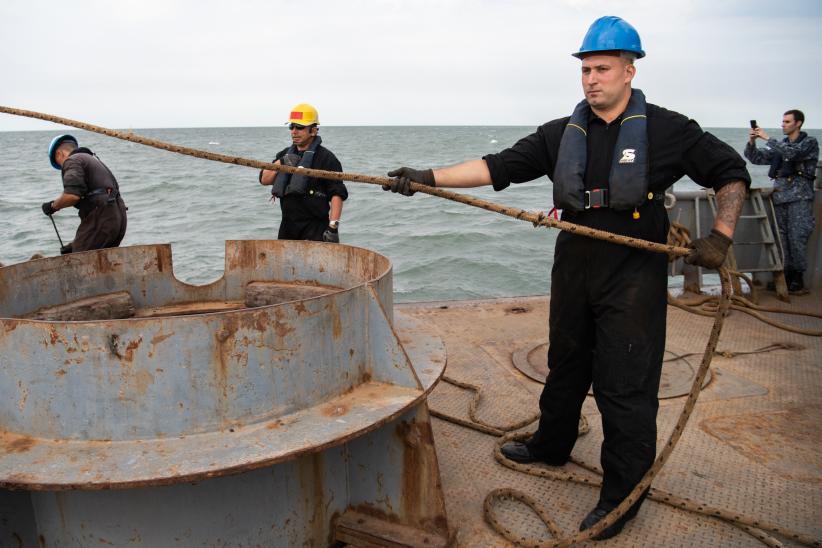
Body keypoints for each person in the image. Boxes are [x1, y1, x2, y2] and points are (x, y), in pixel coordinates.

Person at [386, 16, 750, 540]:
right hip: (574, 261)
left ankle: (621, 496)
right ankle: (551, 446)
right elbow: (499, 166)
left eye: (601, 69)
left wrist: (720, 234)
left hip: (632, 275)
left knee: (625, 385)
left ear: (629, 70)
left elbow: (730, 171)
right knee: (566, 362)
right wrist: (426, 178)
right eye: (585, 70)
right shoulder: (563, 133)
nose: (591, 79)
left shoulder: (669, 129)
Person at [745, 110, 818, 294]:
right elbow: (756, 158)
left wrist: (767, 138)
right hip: (780, 197)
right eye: (782, 121)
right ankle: (784, 276)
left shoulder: (809, 143)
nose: (783, 124)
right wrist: (753, 141)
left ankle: (798, 279)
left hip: (799, 198)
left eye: (787, 121)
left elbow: (793, 154)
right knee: (781, 239)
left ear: (798, 123)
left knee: (797, 238)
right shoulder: (781, 145)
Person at [259, 103, 347, 242]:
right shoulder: (284, 155)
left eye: (299, 127)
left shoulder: (327, 158)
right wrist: (282, 162)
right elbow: (265, 180)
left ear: (313, 130)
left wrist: (333, 228)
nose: (294, 131)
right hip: (288, 227)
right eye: (291, 126)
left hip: (316, 228)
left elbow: (337, 194)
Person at [42, 134, 128, 254]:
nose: (63, 167)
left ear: (59, 154)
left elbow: (72, 196)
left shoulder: (72, 161)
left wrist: (52, 206)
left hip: (102, 216)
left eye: (59, 164)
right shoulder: (93, 160)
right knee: (99, 260)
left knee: (79, 261)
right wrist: (74, 246)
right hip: (118, 218)